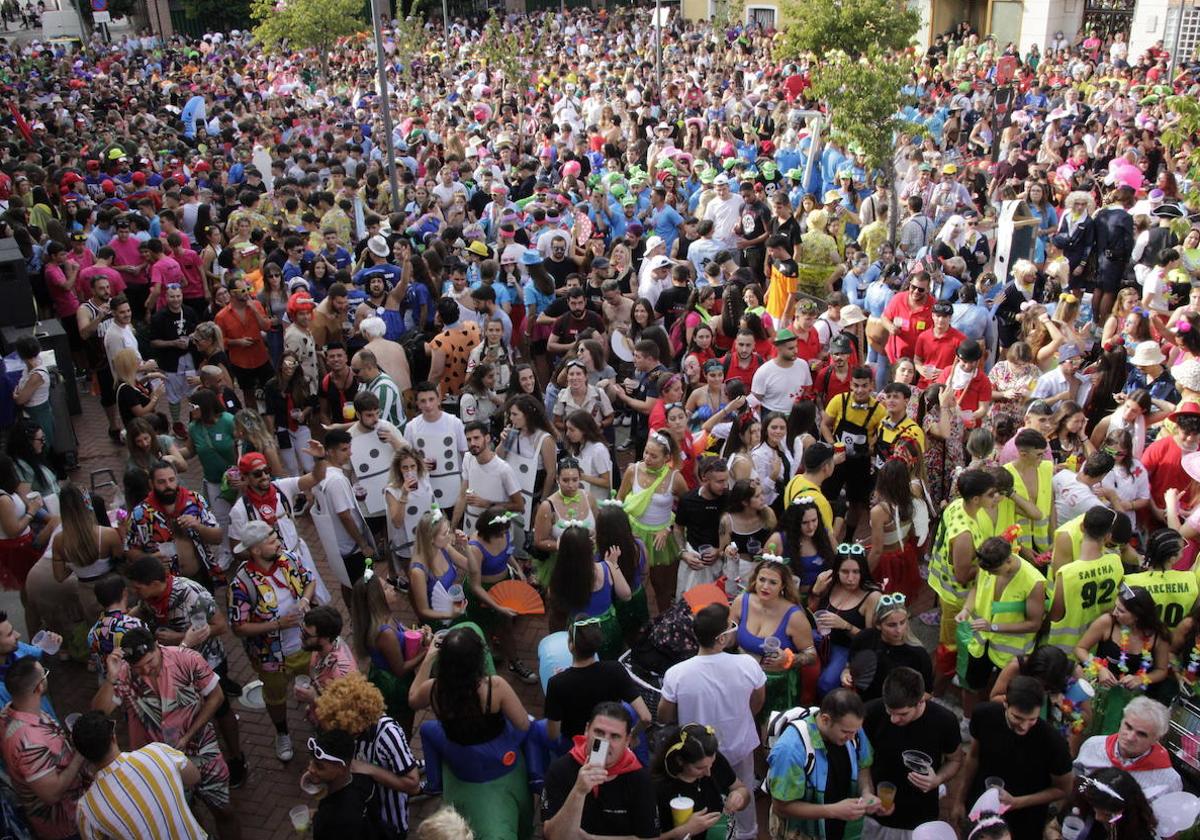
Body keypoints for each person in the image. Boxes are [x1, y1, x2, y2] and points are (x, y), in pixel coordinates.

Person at [92, 627, 242, 840]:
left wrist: (189, 735)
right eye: (138, 667)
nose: (145, 671)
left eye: (149, 662)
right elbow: (99, 713)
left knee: (223, 810)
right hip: (157, 765)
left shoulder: (186, 660)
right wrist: (110, 678)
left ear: (157, 647)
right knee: (183, 814)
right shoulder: (124, 674)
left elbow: (216, 697)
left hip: (201, 750)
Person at [410, 626, 534, 840]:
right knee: (535, 728)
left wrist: (428, 657)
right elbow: (523, 724)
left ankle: (434, 783)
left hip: (455, 745)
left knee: (428, 729)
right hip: (496, 749)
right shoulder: (495, 687)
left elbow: (412, 699)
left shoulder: (434, 689)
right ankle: (537, 778)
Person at [659, 602, 765, 840]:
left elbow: (664, 716)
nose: (733, 630)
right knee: (742, 791)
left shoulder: (677, 673)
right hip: (738, 745)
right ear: (720, 639)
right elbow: (758, 701)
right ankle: (746, 834)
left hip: (698, 752)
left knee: (701, 797)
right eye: (731, 627)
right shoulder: (747, 664)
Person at [227, 519, 316, 762]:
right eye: (271, 540)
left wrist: (305, 601)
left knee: (315, 683)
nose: (278, 542)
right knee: (276, 697)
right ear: (255, 550)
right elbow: (238, 627)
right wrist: (276, 625)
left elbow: (310, 581)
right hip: (270, 657)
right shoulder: (242, 584)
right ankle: (282, 733)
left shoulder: (289, 559)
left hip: (305, 644)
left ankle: (318, 718)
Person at [949, 676, 1074, 839]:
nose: (1024, 726)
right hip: (981, 805)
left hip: (1024, 818)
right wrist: (960, 800)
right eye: (1017, 717)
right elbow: (974, 757)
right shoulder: (984, 715)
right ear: (1005, 704)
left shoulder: (1053, 742)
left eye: (1032, 719)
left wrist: (1017, 802)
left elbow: (1063, 789)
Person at [312, 672, 421, 839]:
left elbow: (413, 785)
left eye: (344, 729)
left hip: (389, 821)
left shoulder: (387, 734)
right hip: (363, 812)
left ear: (358, 724)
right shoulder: (346, 730)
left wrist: (370, 770)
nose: (341, 734)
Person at [72, 710, 207, 840]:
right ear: (113, 737)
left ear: (84, 756)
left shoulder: (87, 809)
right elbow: (194, 777)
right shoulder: (158, 751)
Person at [861, 667, 962, 840]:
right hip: (876, 816)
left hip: (920, 818)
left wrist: (937, 780)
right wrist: (866, 792)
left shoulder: (944, 721)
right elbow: (863, 762)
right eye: (889, 711)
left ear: (921, 700)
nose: (893, 719)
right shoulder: (872, 712)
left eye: (902, 714)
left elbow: (955, 760)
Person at [766, 688, 878, 840]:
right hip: (802, 832)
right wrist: (834, 811)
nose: (852, 736)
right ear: (825, 719)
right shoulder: (790, 749)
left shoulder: (852, 729)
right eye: (845, 732)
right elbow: (782, 806)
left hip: (837, 827)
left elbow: (863, 764)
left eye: (855, 731)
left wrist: (866, 792)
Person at [542, 701, 658, 840]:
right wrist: (578, 792)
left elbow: (650, 837)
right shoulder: (561, 769)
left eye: (615, 736)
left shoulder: (640, 779)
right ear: (586, 730)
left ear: (627, 740)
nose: (605, 742)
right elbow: (552, 836)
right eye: (599, 732)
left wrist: (592, 839)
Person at [0, 658, 86, 840]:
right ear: (38, 687)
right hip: (64, 827)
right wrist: (79, 755)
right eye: (44, 674)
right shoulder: (28, 743)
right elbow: (52, 794)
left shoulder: (12, 711)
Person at [545, 616, 650, 744]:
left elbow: (553, 734)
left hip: (578, 745)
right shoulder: (615, 669)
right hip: (610, 739)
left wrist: (560, 680)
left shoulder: (557, 684)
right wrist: (632, 735)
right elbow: (646, 717)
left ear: (571, 645)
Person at [649, 723, 753, 840]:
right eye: (699, 768)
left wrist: (740, 796)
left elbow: (742, 790)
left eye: (711, 764)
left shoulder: (715, 761)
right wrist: (685, 830)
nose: (708, 772)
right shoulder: (658, 786)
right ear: (680, 761)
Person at [124, 459, 222, 581]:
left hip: (200, 577)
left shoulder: (195, 501)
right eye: (161, 482)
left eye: (171, 480)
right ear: (151, 483)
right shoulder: (140, 514)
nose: (168, 486)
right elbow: (129, 550)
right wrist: (149, 559)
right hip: (164, 583)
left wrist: (198, 526)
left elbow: (218, 538)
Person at [811, 546, 882, 697]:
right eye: (845, 572)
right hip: (819, 638)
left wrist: (845, 625)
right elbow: (808, 614)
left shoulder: (872, 597)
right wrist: (816, 593)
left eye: (856, 572)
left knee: (826, 683)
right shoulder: (830, 584)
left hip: (846, 648)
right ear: (836, 571)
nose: (850, 578)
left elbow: (871, 641)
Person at [1074, 696, 1181, 796]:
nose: (1130, 737)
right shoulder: (1093, 746)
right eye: (1128, 727)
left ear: (1156, 739)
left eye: (1141, 734)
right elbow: (1074, 782)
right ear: (1121, 721)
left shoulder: (1168, 780)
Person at [305, 728, 379, 839]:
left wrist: (319, 820)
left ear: (342, 769)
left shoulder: (334, 820)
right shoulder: (363, 780)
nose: (310, 769)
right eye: (311, 761)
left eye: (319, 766)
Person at [752, 328, 813, 413]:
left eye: (796, 347)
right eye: (791, 348)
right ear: (778, 348)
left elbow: (808, 389)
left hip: (796, 414)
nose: (796, 351)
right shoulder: (763, 371)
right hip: (771, 415)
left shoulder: (803, 365)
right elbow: (754, 401)